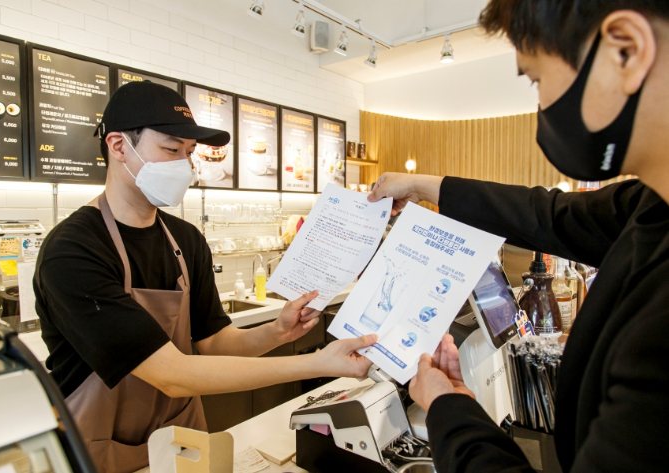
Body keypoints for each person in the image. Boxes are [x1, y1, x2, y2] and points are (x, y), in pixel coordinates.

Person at [368, 1, 669, 471]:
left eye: (536, 79)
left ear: (626, 51)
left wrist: (447, 410)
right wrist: (424, 185)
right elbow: (547, 215)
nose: (541, 106)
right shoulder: (651, 205)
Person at [34, 81, 376, 473]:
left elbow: (214, 344)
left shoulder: (185, 240)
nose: (186, 165)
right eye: (170, 149)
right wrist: (317, 363)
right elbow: (172, 375)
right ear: (117, 147)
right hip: (101, 453)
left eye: (189, 153)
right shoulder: (74, 250)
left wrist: (277, 333)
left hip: (183, 446)